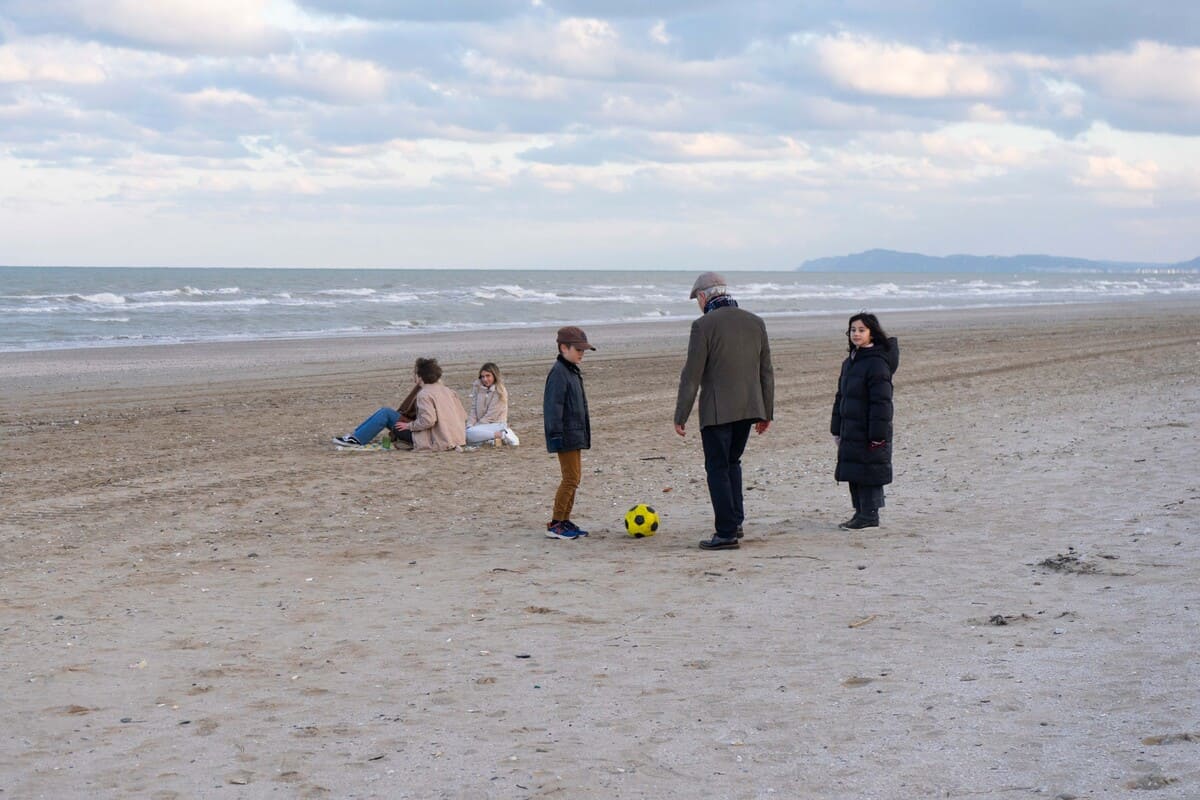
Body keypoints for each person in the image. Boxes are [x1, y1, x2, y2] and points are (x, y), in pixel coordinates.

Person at [674, 272, 774, 551]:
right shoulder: (755, 322)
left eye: (697, 299)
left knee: (717, 468)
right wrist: (767, 411)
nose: (698, 304)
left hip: (717, 411)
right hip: (750, 407)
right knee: (732, 463)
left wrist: (680, 415)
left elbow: (691, 376)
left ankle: (726, 532)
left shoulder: (703, 326)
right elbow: (766, 371)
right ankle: (736, 522)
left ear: (704, 296)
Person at [830, 312, 899, 529]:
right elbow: (840, 396)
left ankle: (870, 515)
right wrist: (836, 428)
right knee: (853, 470)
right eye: (853, 330)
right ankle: (860, 512)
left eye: (861, 330)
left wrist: (877, 436)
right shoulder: (849, 362)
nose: (856, 334)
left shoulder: (877, 363)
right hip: (850, 426)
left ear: (872, 333)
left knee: (869, 471)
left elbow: (882, 403)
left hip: (870, 429)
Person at [333, 357, 468, 452]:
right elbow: (463, 415)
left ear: (420, 376)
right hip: (455, 438)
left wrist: (409, 425)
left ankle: (356, 439)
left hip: (434, 440)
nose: (413, 376)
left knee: (385, 413)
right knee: (385, 412)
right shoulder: (449, 391)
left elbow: (429, 420)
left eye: (414, 373)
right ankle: (356, 435)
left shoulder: (424, 394)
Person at [542, 326, 594, 540]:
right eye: (578, 349)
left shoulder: (571, 370)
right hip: (564, 435)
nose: (581, 353)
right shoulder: (559, 373)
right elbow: (553, 407)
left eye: (583, 349)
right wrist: (556, 436)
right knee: (570, 478)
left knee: (574, 478)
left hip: (575, 433)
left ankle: (564, 519)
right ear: (564, 347)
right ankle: (556, 523)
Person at [465, 362, 519, 447]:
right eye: (482, 376)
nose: (485, 379)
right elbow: (473, 410)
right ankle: (490, 440)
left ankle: (502, 434)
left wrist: (475, 427)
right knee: (466, 434)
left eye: (488, 376)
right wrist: (470, 425)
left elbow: (491, 416)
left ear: (494, 376)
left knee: (469, 434)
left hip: (496, 424)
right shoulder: (478, 388)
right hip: (481, 425)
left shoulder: (500, 391)